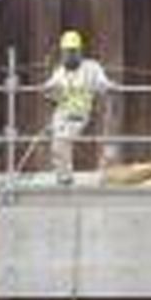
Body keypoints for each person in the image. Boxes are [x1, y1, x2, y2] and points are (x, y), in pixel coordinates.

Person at [44, 30, 116, 185]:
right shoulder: (60, 72)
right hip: (62, 112)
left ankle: (65, 177)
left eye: (73, 52)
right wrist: (50, 92)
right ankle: (64, 176)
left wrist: (109, 87)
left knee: (62, 140)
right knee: (57, 146)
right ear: (62, 52)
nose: (70, 56)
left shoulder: (91, 68)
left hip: (79, 113)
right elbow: (48, 89)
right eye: (67, 52)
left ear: (79, 51)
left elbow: (102, 83)